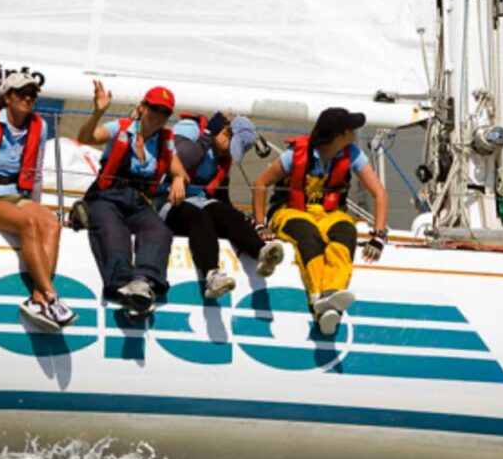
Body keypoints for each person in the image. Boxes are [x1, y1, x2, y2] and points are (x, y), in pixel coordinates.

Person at [0, 65, 75, 332]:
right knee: (28, 225)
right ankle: (51, 296)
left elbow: (37, 172)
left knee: (51, 223)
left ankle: (39, 298)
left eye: (33, 94)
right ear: (8, 97)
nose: (28, 98)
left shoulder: (38, 126)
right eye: (22, 93)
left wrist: (36, 206)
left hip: (16, 196)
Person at [252, 107, 388, 335]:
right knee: (307, 235)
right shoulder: (294, 155)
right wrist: (260, 224)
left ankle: (332, 293)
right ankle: (318, 299)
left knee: (346, 233)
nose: (354, 134)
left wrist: (379, 236)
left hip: (329, 213)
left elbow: (380, 194)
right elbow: (261, 183)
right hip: (290, 211)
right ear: (337, 136)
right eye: (350, 130)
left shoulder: (352, 154)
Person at [76, 81, 190, 319]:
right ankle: (121, 287)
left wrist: (178, 179)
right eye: (154, 109)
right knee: (112, 229)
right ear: (142, 108)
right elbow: (86, 137)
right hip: (107, 195)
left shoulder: (165, 141)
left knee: (159, 230)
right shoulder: (121, 128)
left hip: (138, 200)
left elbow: (180, 172)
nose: (158, 116)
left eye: (165, 112)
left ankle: (143, 282)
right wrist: (98, 111)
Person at [157, 112, 284, 299]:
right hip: (170, 201)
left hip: (200, 202)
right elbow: (180, 158)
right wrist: (208, 135)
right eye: (230, 147)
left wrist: (246, 221)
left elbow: (222, 197)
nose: (228, 153)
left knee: (224, 212)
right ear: (225, 132)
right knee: (200, 216)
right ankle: (212, 275)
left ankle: (261, 252)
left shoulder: (223, 159)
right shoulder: (191, 129)